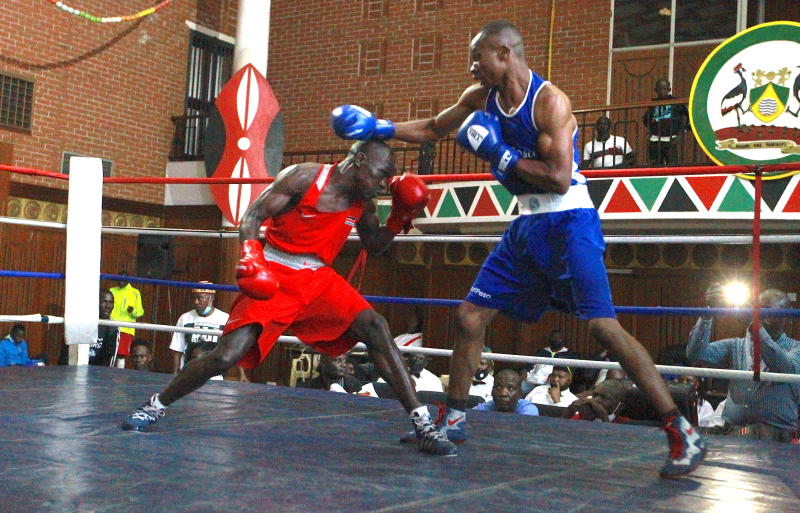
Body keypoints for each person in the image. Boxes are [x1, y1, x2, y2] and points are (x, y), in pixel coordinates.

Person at [331, 20, 705, 477]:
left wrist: (500, 154)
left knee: (605, 330)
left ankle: (680, 429)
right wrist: (378, 124)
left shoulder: (550, 102)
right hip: (527, 225)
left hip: (569, 221)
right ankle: (455, 418)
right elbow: (433, 128)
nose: (473, 67)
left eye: (478, 57)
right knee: (469, 317)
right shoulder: (480, 98)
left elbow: (560, 175)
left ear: (505, 53)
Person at [121, 140, 456, 456]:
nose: (384, 183)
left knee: (376, 326)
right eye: (382, 173)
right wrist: (252, 254)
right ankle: (155, 405)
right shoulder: (303, 177)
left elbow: (375, 246)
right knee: (226, 356)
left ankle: (423, 424)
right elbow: (252, 216)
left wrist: (399, 218)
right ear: (360, 161)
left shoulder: (364, 204)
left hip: (319, 279)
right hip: (277, 270)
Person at [686, 285, 800, 442]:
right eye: (758, 308)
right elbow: (696, 354)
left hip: (776, 436)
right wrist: (708, 313)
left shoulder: (796, 349)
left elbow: (783, 368)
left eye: (769, 309)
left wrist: (755, 326)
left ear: (787, 315)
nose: (761, 314)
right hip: (733, 432)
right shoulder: (736, 346)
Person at [168, 282, 246, 381]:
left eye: (200, 298)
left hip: (214, 376)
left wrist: (242, 374)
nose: (196, 302)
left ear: (211, 298)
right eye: (194, 298)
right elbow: (177, 349)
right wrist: (175, 374)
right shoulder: (185, 318)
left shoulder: (225, 319)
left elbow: (234, 348)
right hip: (188, 374)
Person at [643, 79, 688, 166]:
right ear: (656, 90)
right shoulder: (653, 103)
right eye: (660, 89)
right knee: (655, 166)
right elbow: (646, 119)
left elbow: (689, 114)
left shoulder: (676, 102)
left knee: (672, 165)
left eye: (665, 88)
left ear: (669, 89)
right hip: (655, 139)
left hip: (671, 139)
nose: (662, 91)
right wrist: (651, 130)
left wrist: (684, 129)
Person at [109, 273, 144, 369]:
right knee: (109, 352)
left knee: (121, 354)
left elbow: (140, 312)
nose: (120, 282)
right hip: (110, 326)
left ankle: (118, 376)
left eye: (123, 280)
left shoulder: (135, 292)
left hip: (126, 328)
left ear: (128, 280)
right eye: (119, 280)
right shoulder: (112, 290)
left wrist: (132, 311)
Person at [472, 369, 538, 415]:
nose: (503, 393)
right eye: (499, 387)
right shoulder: (483, 408)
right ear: (492, 391)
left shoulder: (528, 410)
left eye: (511, 389)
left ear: (520, 393)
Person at [297, 353, 362, 393]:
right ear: (324, 362)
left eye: (345, 360)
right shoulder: (307, 389)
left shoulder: (354, 384)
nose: (343, 365)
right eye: (337, 360)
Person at [90, 290, 120, 367]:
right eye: (104, 301)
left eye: (111, 302)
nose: (108, 306)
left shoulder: (113, 327)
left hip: (98, 372)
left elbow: (110, 358)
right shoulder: (82, 322)